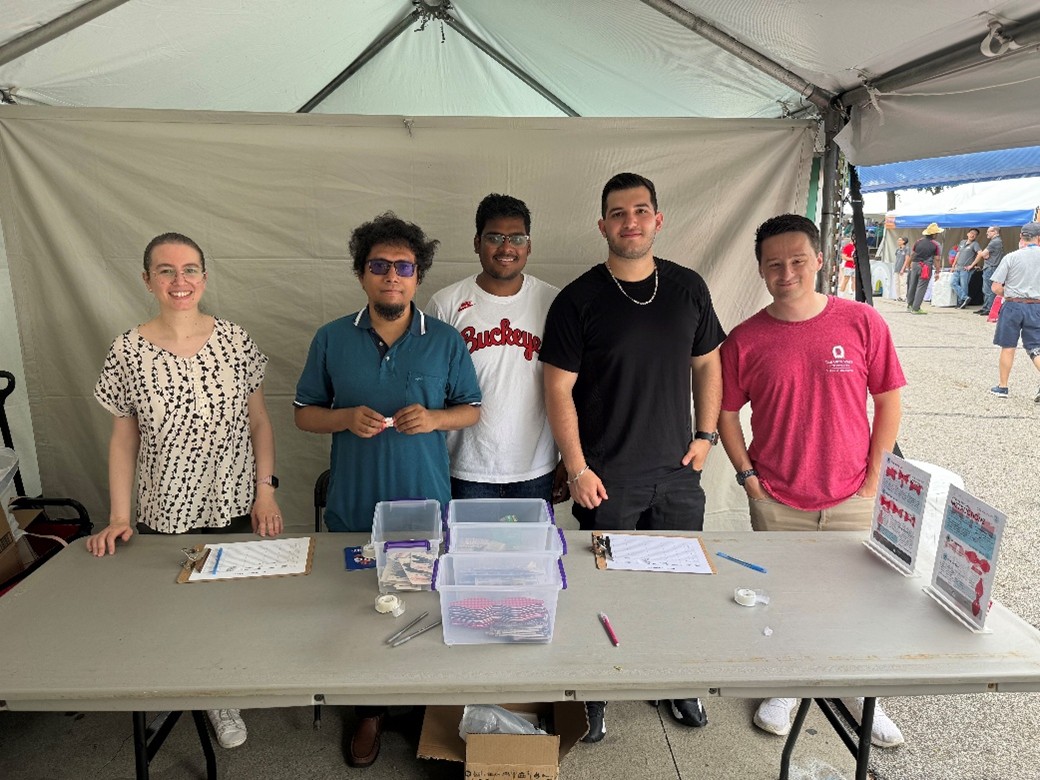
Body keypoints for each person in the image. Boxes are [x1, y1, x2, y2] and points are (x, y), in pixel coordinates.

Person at [540, 172, 725, 741]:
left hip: (676, 474)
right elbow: (556, 389)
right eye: (618, 214)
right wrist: (577, 469)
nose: (630, 222)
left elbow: (709, 365)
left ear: (658, 219)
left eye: (640, 211)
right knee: (604, 588)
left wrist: (706, 435)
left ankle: (673, 679)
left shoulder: (689, 288)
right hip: (607, 477)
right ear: (603, 225)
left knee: (674, 582)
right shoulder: (578, 299)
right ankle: (596, 690)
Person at [294, 212, 481, 768]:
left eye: (403, 266)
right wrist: (345, 416)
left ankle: (425, 709)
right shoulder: (331, 338)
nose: (391, 277)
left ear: (418, 275)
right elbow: (305, 415)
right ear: (361, 274)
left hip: (425, 506)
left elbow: (471, 409)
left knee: (424, 607)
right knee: (355, 614)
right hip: (354, 508)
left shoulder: (444, 341)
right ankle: (368, 711)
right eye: (379, 266)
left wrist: (437, 420)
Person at [86, 232, 283, 750]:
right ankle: (192, 686)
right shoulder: (128, 350)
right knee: (176, 607)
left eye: (190, 269)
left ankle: (224, 691)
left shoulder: (236, 341)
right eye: (167, 270)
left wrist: (265, 491)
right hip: (164, 505)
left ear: (205, 277)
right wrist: (120, 515)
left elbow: (259, 422)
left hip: (233, 500)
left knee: (228, 602)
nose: (180, 280)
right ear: (147, 279)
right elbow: (123, 438)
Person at [718, 214, 907, 748]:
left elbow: (889, 398)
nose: (787, 272)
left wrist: (873, 479)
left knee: (855, 598)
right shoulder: (746, 339)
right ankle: (788, 685)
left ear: (820, 260)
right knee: (783, 596)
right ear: (760, 270)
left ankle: (856, 689)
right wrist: (749, 479)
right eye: (774, 264)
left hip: (853, 493)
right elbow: (726, 414)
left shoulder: (862, 323)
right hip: (777, 497)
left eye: (798, 260)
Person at [426, 193, 564, 503]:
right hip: (464, 467)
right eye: (494, 237)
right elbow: (431, 387)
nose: (506, 248)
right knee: (464, 552)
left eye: (516, 237)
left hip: (534, 468)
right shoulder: (446, 303)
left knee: (530, 553)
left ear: (529, 245)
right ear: (477, 242)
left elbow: (569, 387)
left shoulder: (554, 302)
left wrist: (567, 459)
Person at [988, 221, 1040, 400]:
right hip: (1036, 306)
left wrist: (1009, 292)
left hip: (1012, 305)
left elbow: (995, 287)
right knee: (1035, 347)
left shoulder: (1011, 257)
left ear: (1021, 237)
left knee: (1008, 346)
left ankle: (1002, 387)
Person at [905, 223, 943, 314]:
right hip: (926, 266)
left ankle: (909, 305)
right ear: (934, 234)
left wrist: (908, 264)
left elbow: (913, 254)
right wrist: (938, 272)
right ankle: (916, 308)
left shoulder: (918, 241)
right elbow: (937, 259)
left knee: (912, 285)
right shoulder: (936, 244)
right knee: (921, 287)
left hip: (915, 264)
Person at [976, 226, 1004, 316]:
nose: (987, 233)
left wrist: (980, 252)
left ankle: (988, 308)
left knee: (988, 289)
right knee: (986, 289)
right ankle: (986, 307)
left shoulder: (994, 242)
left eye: (989, 231)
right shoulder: (997, 241)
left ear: (995, 232)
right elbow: (985, 255)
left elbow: (983, 254)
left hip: (991, 267)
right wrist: (985, 255)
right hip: (992, 266)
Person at [951, 228, 982, 308]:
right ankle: (965, 298)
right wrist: (953, 265)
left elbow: (980, 254)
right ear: (967, 234)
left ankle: (961, 303)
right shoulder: (962, 242)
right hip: (958, 267)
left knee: (964, 285)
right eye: (971, 233)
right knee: (953, 283)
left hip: (966, 269)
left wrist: (972, 265)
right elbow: (958, 254)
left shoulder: (975, 244)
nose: (972, 235)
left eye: (975, 234)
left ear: (976, 236)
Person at [894, 236, 910, 301]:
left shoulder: (907, 249)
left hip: (903, 269)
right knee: (897, 283)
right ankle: (898, 296)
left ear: (903, 241)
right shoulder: (897, 250)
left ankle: (903, 297)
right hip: (897, 268)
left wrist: (903, 268)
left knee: (902, 283)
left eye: (900, 240)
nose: (898, 241)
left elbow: (907, 259)